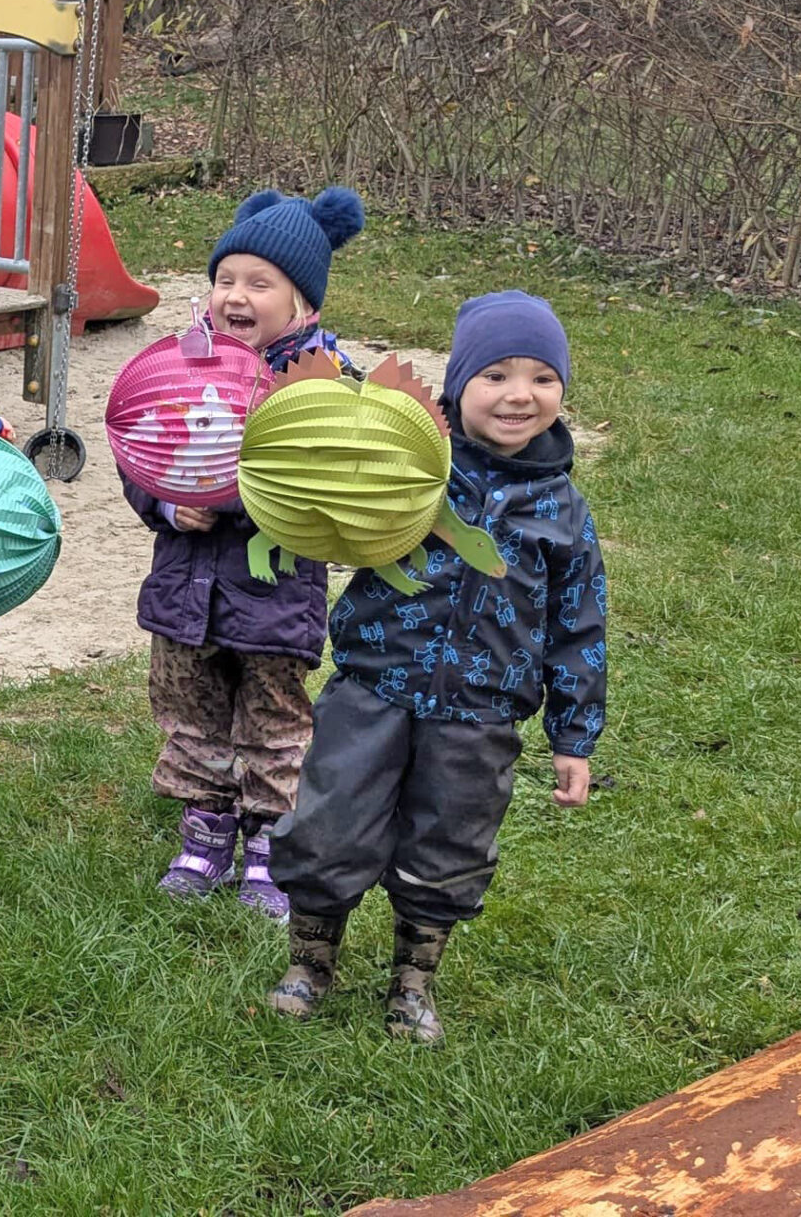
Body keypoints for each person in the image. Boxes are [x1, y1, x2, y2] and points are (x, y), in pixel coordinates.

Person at [267, 290, 606, 1044]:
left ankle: (413, 981)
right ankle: (310, 961)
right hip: (373, 686)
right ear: (458, 386)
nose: (520, 394)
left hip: (483, 711)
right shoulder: (413, 466)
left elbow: (579, 625)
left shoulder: (564, 511)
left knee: (451, 844)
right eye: (496, 375)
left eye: (542, 377)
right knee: (329, 822)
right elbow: (327, 488)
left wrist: (574, 736)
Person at [134, 187, 366, 920]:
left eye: (259, 284)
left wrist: (243, 495)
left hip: (274, 596)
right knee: (190, 713)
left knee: (273, 723)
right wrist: (168, 504)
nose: (236, 295)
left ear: (304, 306)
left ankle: (269, 842)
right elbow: (139, 449)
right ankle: (205, 832)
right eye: (226, 279)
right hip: (184, 587)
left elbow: (346, 480)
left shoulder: (326, 384)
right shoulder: (181, 367)